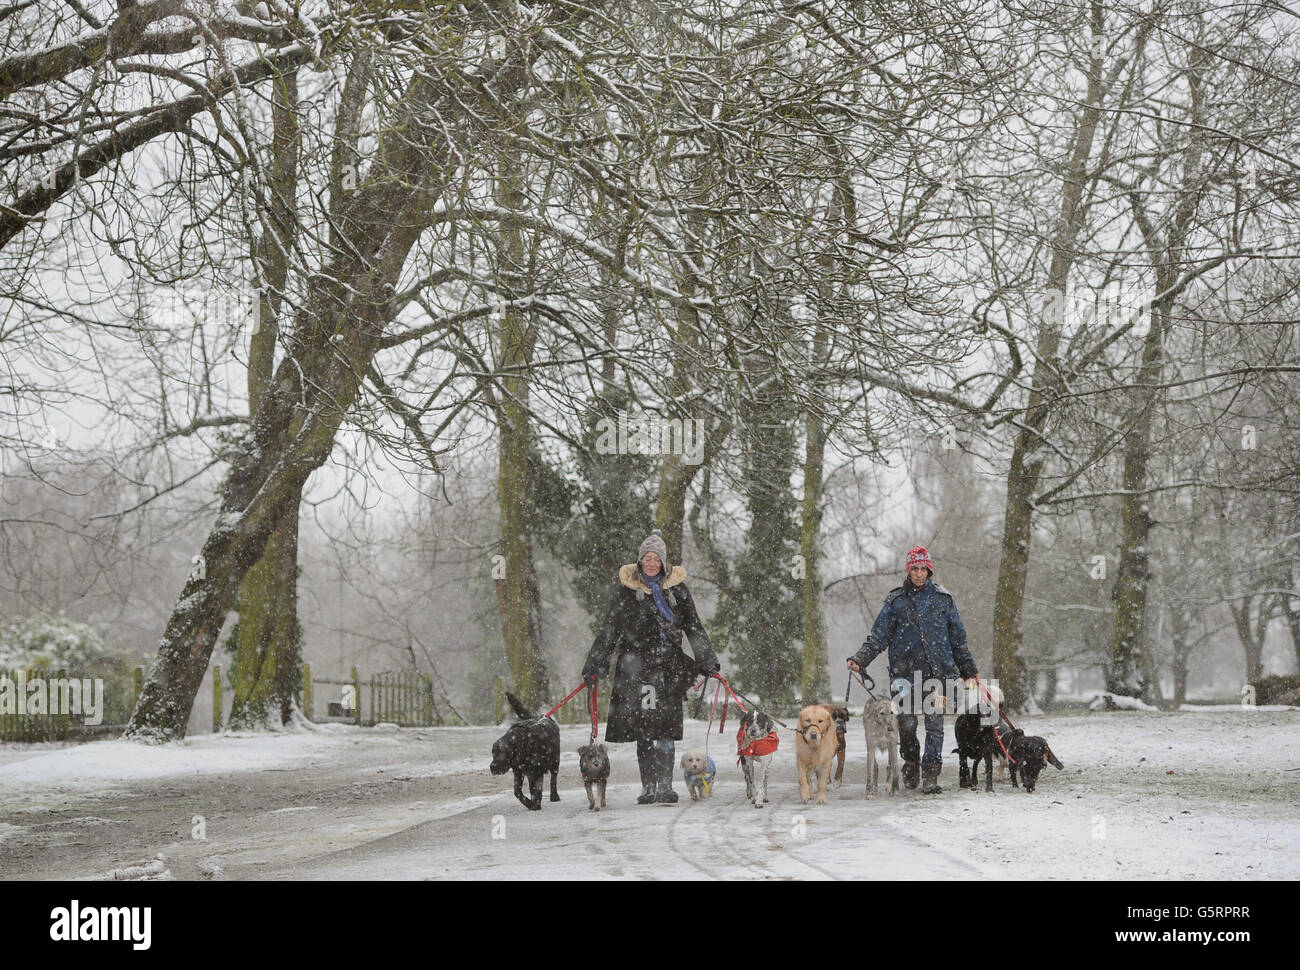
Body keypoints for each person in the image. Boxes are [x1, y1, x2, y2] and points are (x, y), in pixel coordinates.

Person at [582, 530, 719, 804]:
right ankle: (648, 787)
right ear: (640, 561)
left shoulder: (678, 590)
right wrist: (595, 665)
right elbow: (610, 631)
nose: (652, 563)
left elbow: (693, 626)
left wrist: (707, 660)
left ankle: (666, 786)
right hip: (635, 669)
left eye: (657, 558)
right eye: (647, 558)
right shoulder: (626, 592)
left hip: (669, 668)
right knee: (643, 729)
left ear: (664, 562)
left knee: (666, 727)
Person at [846, 546, 977, 794]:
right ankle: (912, 761)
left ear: (929, 570)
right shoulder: (896, 602)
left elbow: (958, 639)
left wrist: (968, 669)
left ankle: (930, 773)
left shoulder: (943, 600)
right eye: (914, 569)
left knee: (935, 723)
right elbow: (877, 637)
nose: (919, 573)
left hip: (938, 674)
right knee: (905, 723)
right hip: (904, 674)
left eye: (923, 569)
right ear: (909, 571)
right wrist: (860, 659)